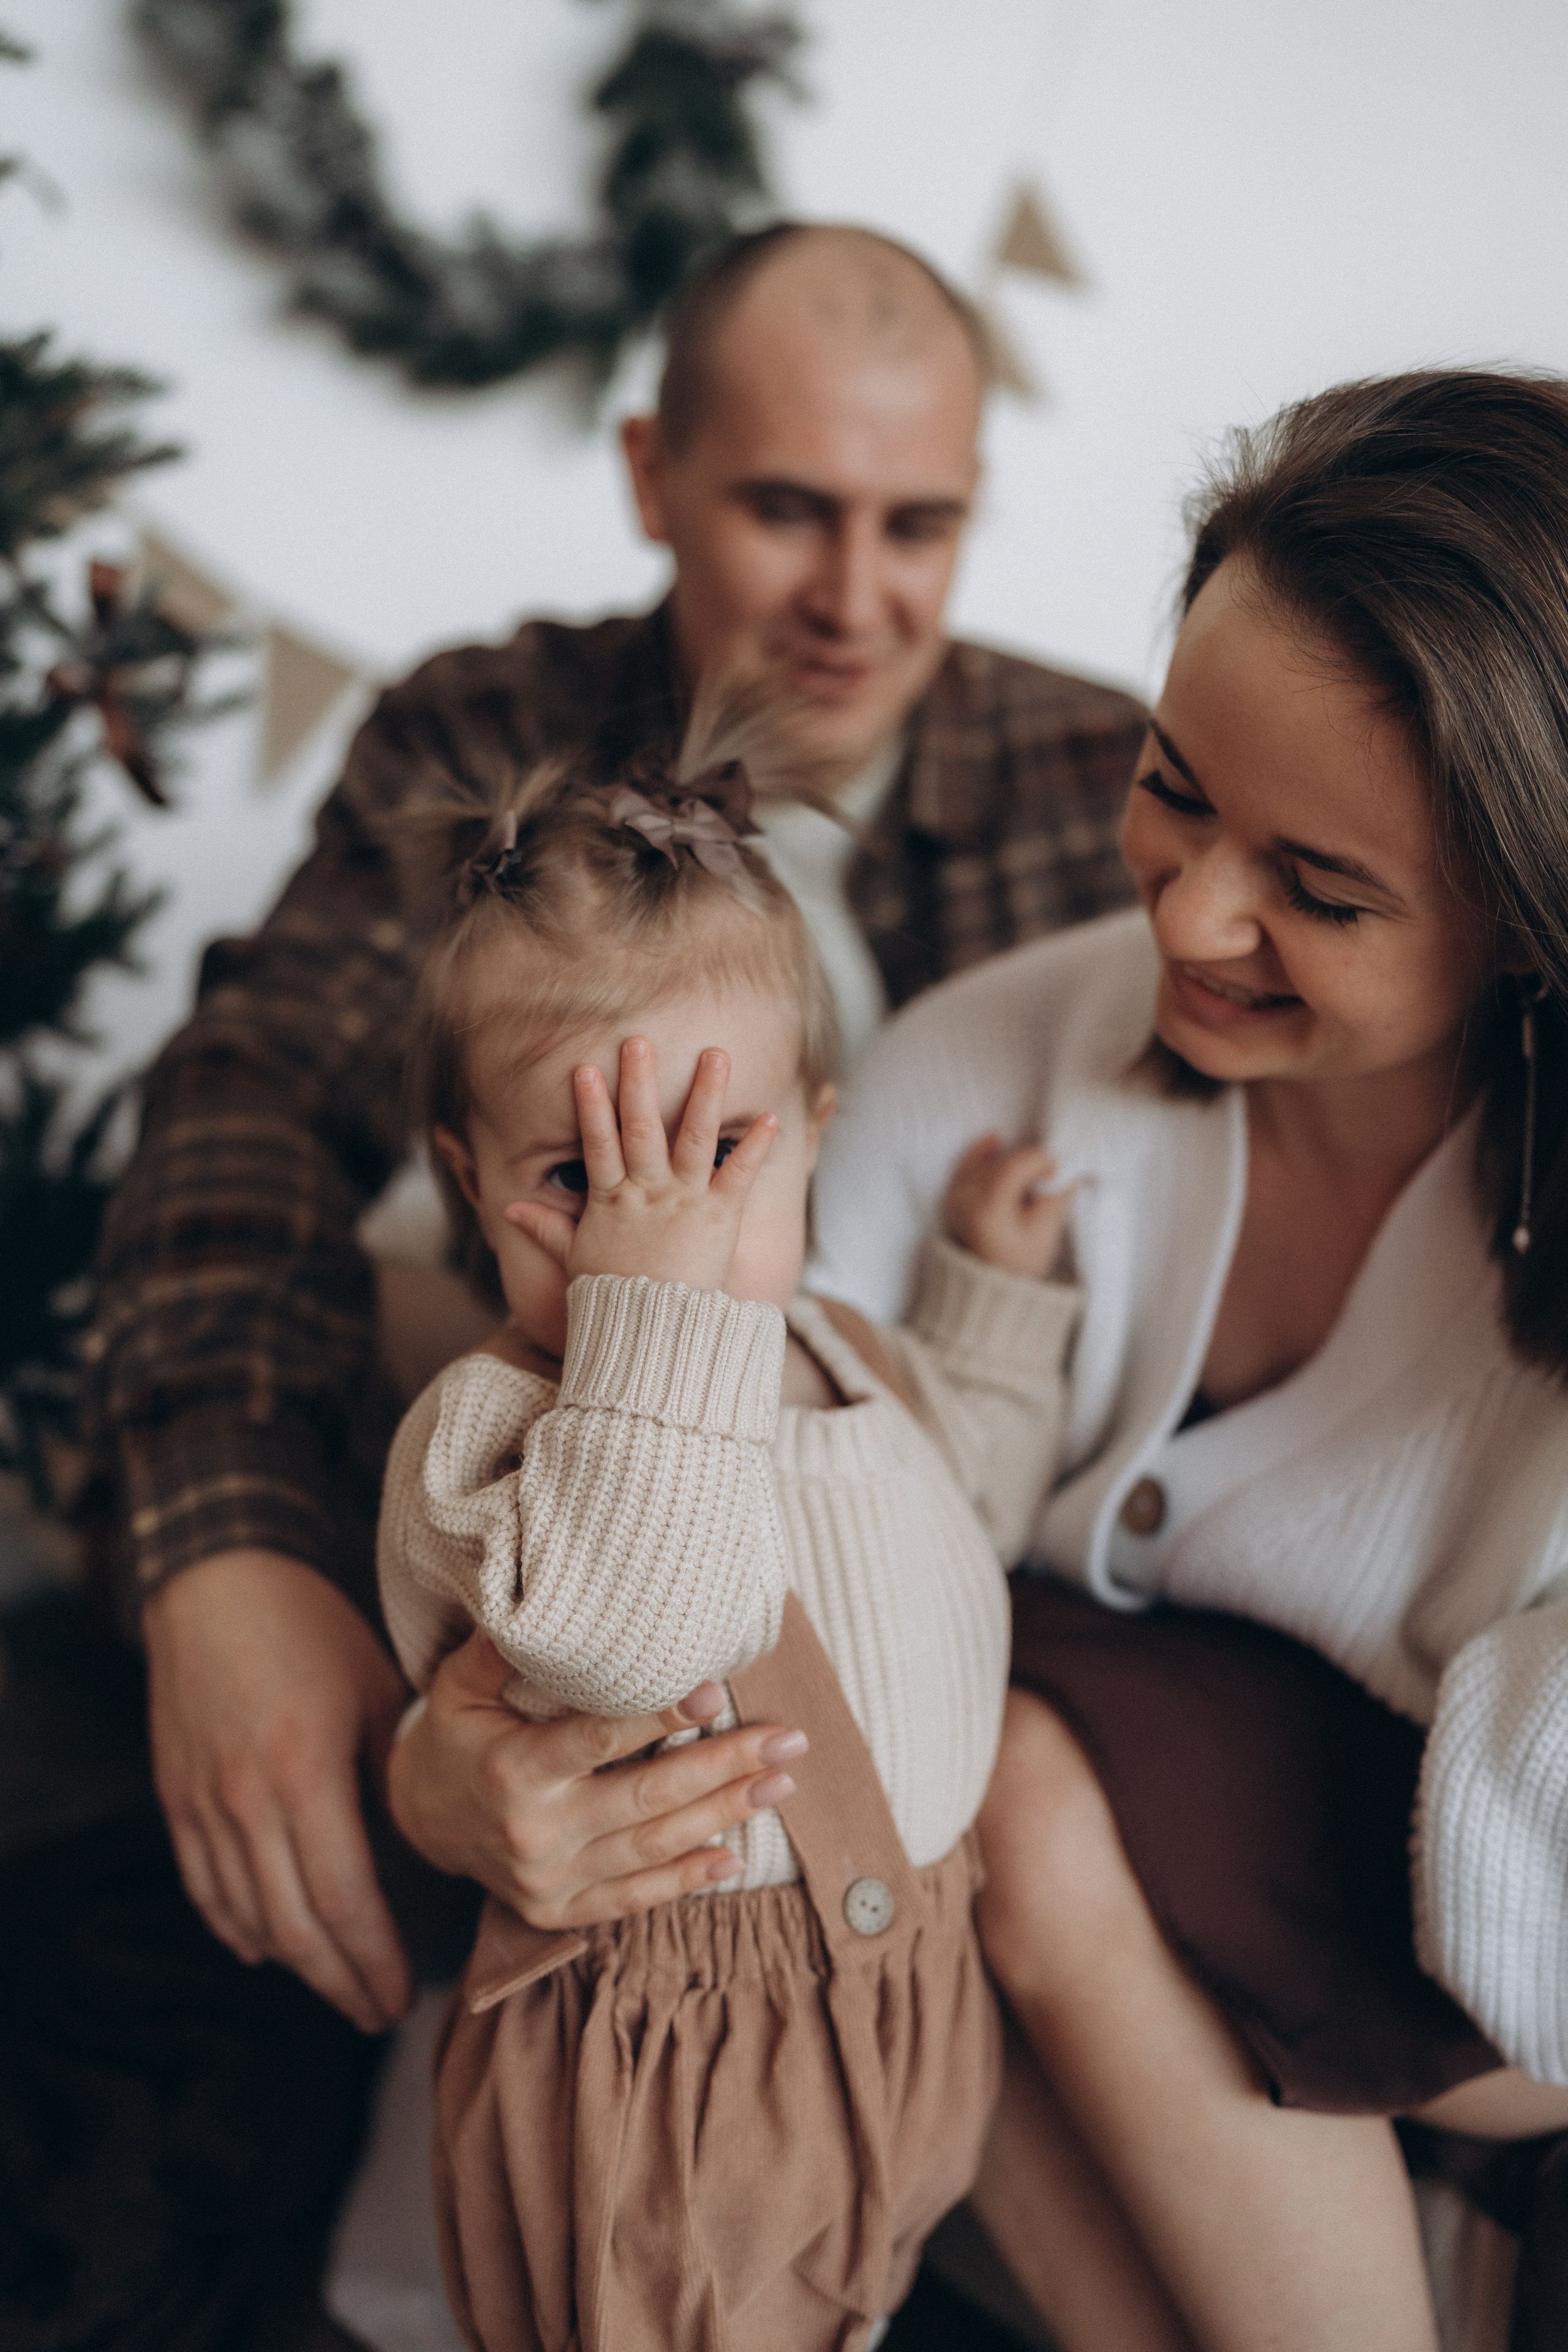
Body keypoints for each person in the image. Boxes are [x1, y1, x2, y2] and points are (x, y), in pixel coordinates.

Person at [87, 218, 1144, 2035]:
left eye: (921, 526)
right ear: (654, 476)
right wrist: (226, 1551)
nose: (857, 597)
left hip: (915, 1493)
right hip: (571, 1479)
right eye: (789, 510)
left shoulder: (1102, 780)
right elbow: (250, 1091)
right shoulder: (489, 731)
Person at [801, 369, 1568, 2350]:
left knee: (1031, 1801)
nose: (1196, 912)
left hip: (1476, 1982)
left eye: (1320, 890)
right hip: (988, 1841)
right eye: (1173, 784)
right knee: (1001, 1799)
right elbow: (776, 1564)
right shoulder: (983, 1075)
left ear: (1529, 934)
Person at [372, 717, 1080, 2347]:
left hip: (903, 2002)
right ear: (463, 1179)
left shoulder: (848, 1355)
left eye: (717, 1155)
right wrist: (657, 1312)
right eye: (580, 1174)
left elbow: (972, 1502)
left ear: (818, 1135)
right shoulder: (491, 1438)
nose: (661, 1218)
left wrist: (988, 1300)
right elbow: (644, 1625)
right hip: (665, 2079)